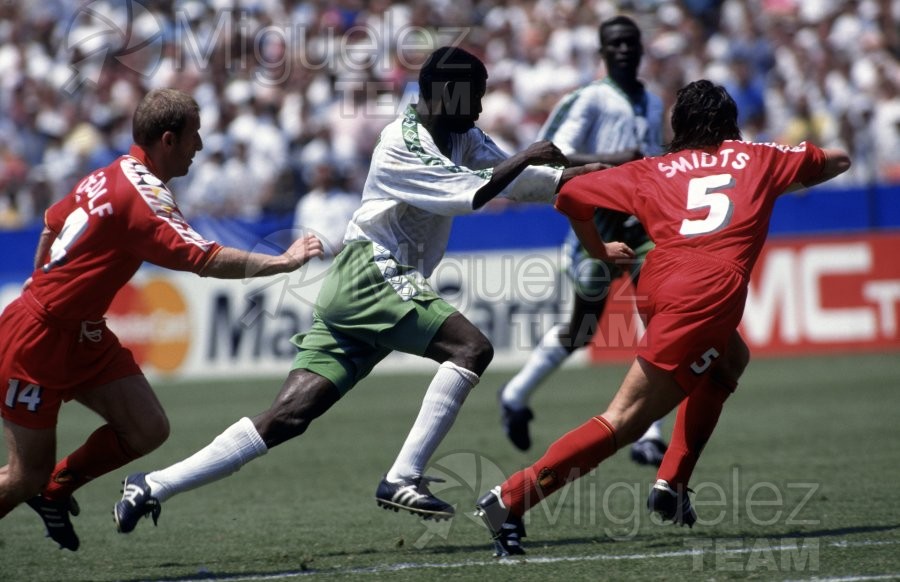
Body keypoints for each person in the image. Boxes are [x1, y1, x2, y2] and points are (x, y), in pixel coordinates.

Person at [112, 46, 632, 534]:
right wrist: (526, 157)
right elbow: (470, 193)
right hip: (372, 273)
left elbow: (526, 181)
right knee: (472, 349)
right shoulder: (399, 144)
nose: (480, 107)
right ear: (447, 95)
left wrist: (609, 174)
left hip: (365, 290)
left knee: (287, 417)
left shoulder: (462, 137)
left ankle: (152, 485)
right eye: (474, 93)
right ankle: (403, 477)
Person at [476, 79, 851, 556]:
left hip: (657, 282)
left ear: (676, 126)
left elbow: (571, 197)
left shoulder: (652, 168)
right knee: (625, 420)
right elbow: (839, 159)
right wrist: (785, 179)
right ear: (730, 123)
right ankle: (510, 499)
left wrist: (600, 250)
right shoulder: (759, 158)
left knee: (731, 359)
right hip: (707, 293)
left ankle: (671, 483)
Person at [0, 88, 325, 551]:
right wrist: (281, 263)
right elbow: (205, 258)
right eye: (194, 135)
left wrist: (50, 286)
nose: (201, 145)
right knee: (22, 475)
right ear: (169, 140)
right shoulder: (144, 196)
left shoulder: (110, 172)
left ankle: (56, 489)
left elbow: (52, 223)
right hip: (37, 337)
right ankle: (41, 486)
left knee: (148, 428)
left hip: (81, 331)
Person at [497, 15, 670, 466]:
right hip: (593, 227)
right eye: (614, 44)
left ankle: (650, 433)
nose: (624, 50)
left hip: (641, 227)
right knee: (582, 331)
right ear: (602, 52)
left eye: (630, 42)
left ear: (641, 49)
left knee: (658, 319)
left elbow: (651, 159)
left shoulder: (652, 102)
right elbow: (550, 156)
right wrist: (615, 161)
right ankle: (515, 394)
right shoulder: (589, 99)